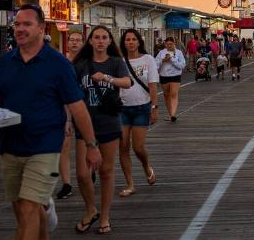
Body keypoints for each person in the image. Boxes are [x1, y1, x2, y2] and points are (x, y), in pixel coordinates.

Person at [0, 4, 102, 239]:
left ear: (41, 28)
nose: (20, 29)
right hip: (9, 145)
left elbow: (77, 107)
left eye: (27, 24)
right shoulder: (7, 61)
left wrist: (91, 145)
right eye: (17, 24)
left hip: (45, 146)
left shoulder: (58, 64)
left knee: (29, 206)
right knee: (22, 208)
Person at [72, 25, 132, 235]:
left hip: (108, 122)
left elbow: (127, 82)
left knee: (106, 171)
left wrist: (107, 78)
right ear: (90, 41)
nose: (99, 41)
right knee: (82, 173)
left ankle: (104, 216)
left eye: (104, 37)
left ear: (109, 41)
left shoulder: (116, 62)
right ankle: (91, 209)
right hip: (84, 123)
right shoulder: (80, 65)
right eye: (96, 37)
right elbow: (68, 91)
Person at [118, 29, 158, 199]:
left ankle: (146, 166)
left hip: (142, 108)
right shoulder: (119, 62)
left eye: (134, 39)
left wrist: (154, 107)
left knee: (138, 147)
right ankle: (130, 184)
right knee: (123, 147)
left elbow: (152, 85)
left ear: (139, 41)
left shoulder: (148, 59)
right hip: (122, 108)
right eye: (127, 39)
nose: (131, 42)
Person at [56, 31, 85, 200]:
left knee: (87, 143)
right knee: (64, 145)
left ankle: (90, 171)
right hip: (64, 107)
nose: (74, 43)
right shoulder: (61, 62)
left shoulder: (87, 62)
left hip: (84, 107)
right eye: (71, 40)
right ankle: (66, 183)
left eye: (78, 40)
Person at [155, 37, 186, 122]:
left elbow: (182, 66)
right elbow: (155, 65)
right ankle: (170, 114)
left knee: (173, 94)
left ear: (174, 44)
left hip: (175, 76)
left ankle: (173, 114)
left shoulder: (179, 53)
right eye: (167, 44)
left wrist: (172, 60)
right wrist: (163, 60)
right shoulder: (161, 52)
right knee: (166, 95)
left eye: (170, 44)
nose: (169, 46)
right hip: (164, 76)